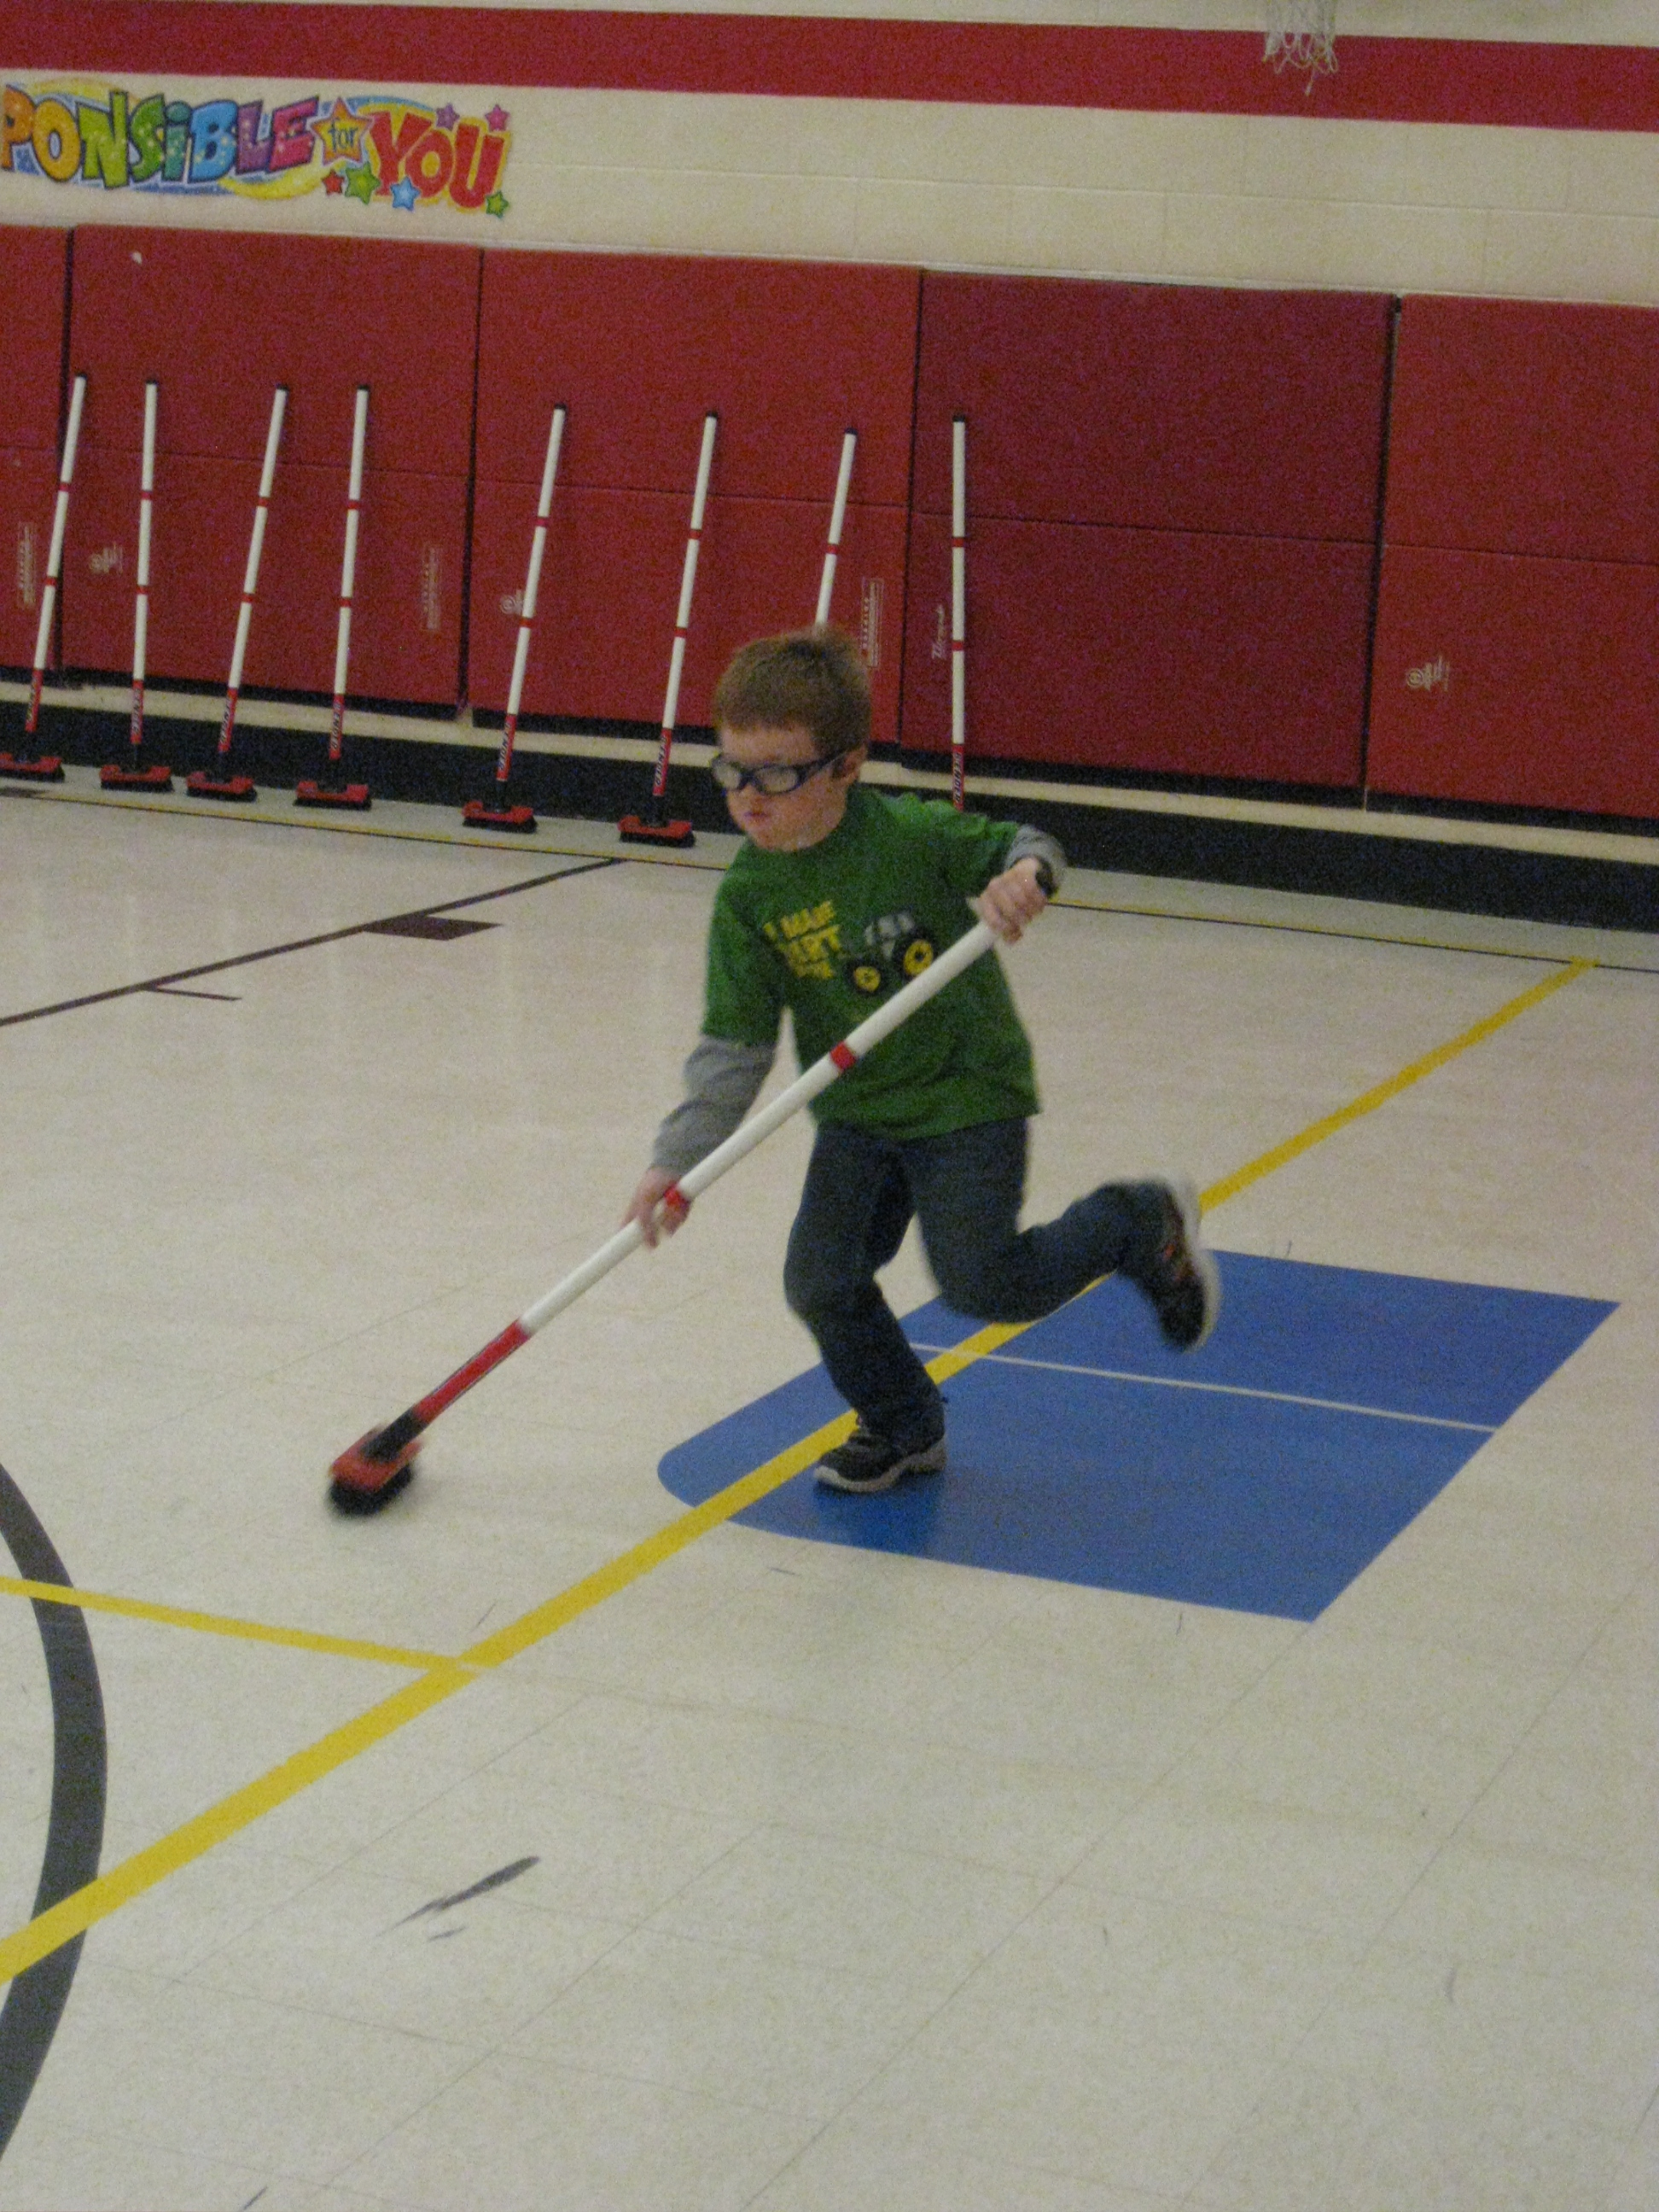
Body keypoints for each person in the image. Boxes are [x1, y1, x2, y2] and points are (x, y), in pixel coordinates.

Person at [624, 626, 1219, 1494]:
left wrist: (1023, 877)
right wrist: (674, 1161)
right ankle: (904, 1426)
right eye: (733, 769)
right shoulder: (749, 898)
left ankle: (1133, 1221)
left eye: (778, 772)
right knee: (822, 1283)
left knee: (986, 1284)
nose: (751, 796)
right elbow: (734, 1050)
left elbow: (1031, 844)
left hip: (964, 1097)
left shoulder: (907, 836)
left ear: (844, 766)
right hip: (860, 1112)